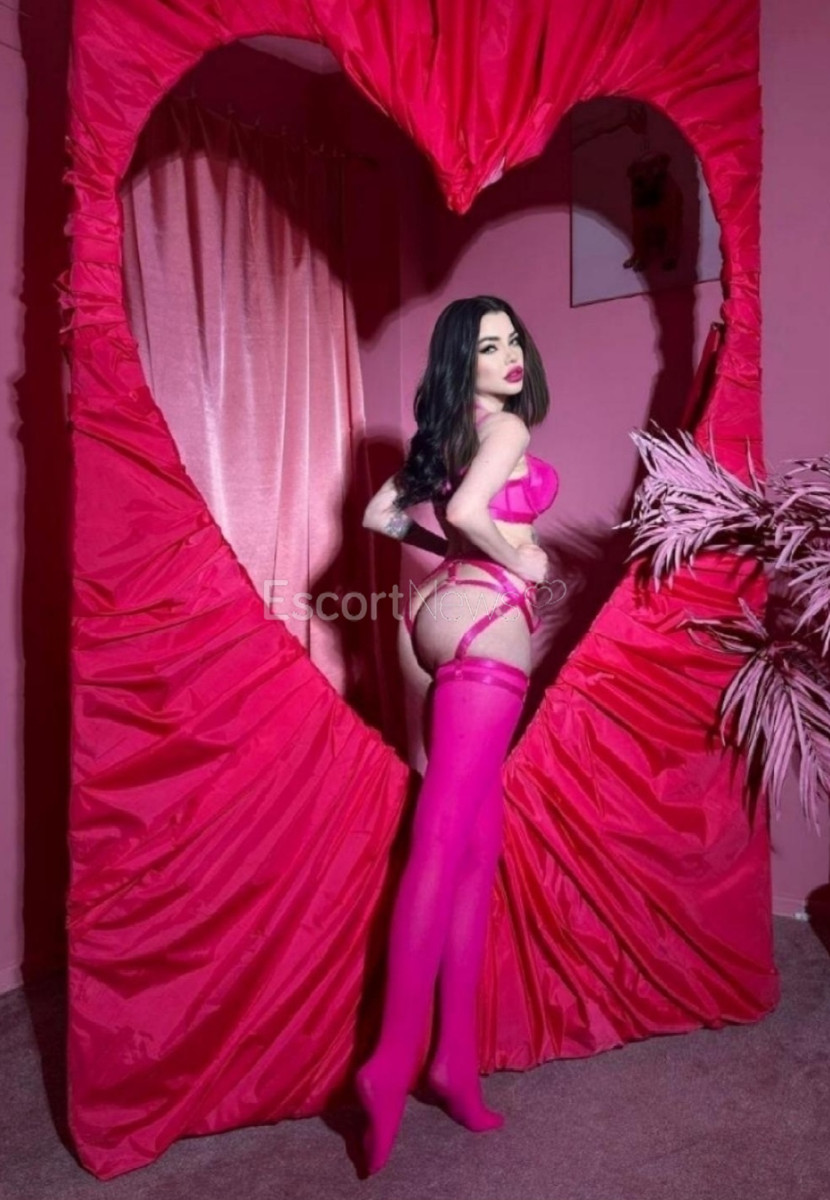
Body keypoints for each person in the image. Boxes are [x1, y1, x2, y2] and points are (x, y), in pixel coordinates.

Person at [357, 295, 558, 1174]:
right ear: (460, 360)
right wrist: (523, 563)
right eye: (488, 346)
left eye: (513, 339)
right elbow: (476, 514)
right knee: (442, 850)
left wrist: (454, 564)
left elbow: (379, 518)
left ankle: (453, 1065)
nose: (510, 355)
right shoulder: (505, 428)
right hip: (487, 623)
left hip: (430, 618)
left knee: (473, 850)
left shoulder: (439, 437)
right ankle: (392, 1059)